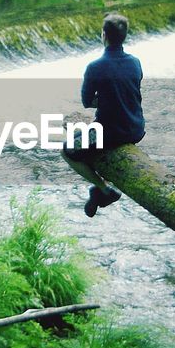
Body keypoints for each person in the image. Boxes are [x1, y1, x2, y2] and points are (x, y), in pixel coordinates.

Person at [64, 12, 144, 217]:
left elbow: (87, 101)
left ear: (103, 35)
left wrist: (105, 99)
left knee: (68, 150)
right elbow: (130, 91)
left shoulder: (95, 67)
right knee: (81, 139)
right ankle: (97, 193)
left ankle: (103, 189)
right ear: (124, 36)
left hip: (110, 132)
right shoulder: (135, 62)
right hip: (135, 129)